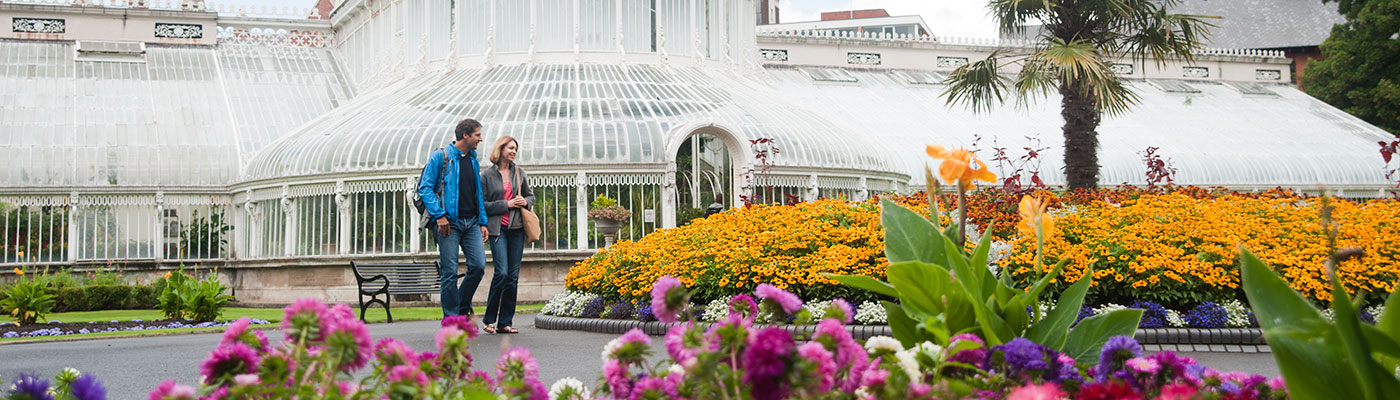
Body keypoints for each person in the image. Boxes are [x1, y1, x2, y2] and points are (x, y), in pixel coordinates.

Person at [417, 118, 489, 318]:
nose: (480, 139)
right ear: (465, 135)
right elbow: (425, 188)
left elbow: (477, 194)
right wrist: (439, 216)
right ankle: (451, 319)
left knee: (478, 266)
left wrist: (482, 221)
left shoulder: (473, 159)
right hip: (449, 223)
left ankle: (460, 308)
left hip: (472, 222)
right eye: (477, 135)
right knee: (449, 272)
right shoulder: (441, 157)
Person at [480, 135, 534, 334]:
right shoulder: (486, 175)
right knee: (501, 272)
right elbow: (482, 204)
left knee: (513, 276)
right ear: (500, 149)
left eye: (515, 149)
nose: (513, 152)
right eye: (510, 148)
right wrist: (506, 204)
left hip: (517, 228)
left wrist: (524, 201)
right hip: (497, 229)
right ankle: (489, 318)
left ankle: (505, 322)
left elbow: (531, 196)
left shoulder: (519, 172)